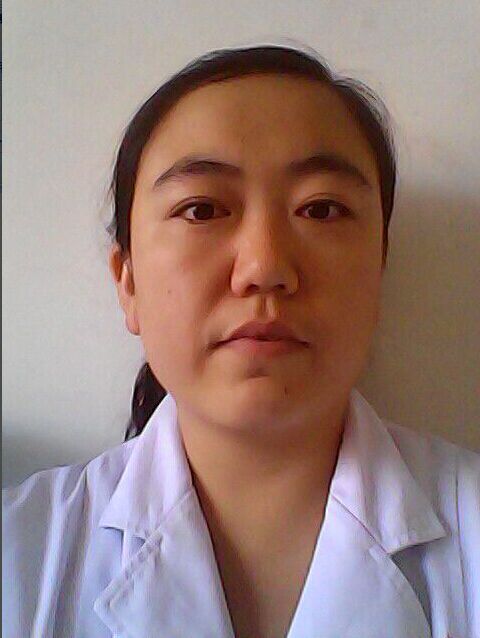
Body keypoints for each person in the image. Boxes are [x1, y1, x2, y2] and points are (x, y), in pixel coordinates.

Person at [2, 43, 479, 638]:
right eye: (201, 210)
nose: (264, 267)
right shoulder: (19, 554)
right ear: (129, 283)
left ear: (379, 268)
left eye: (321, 210)